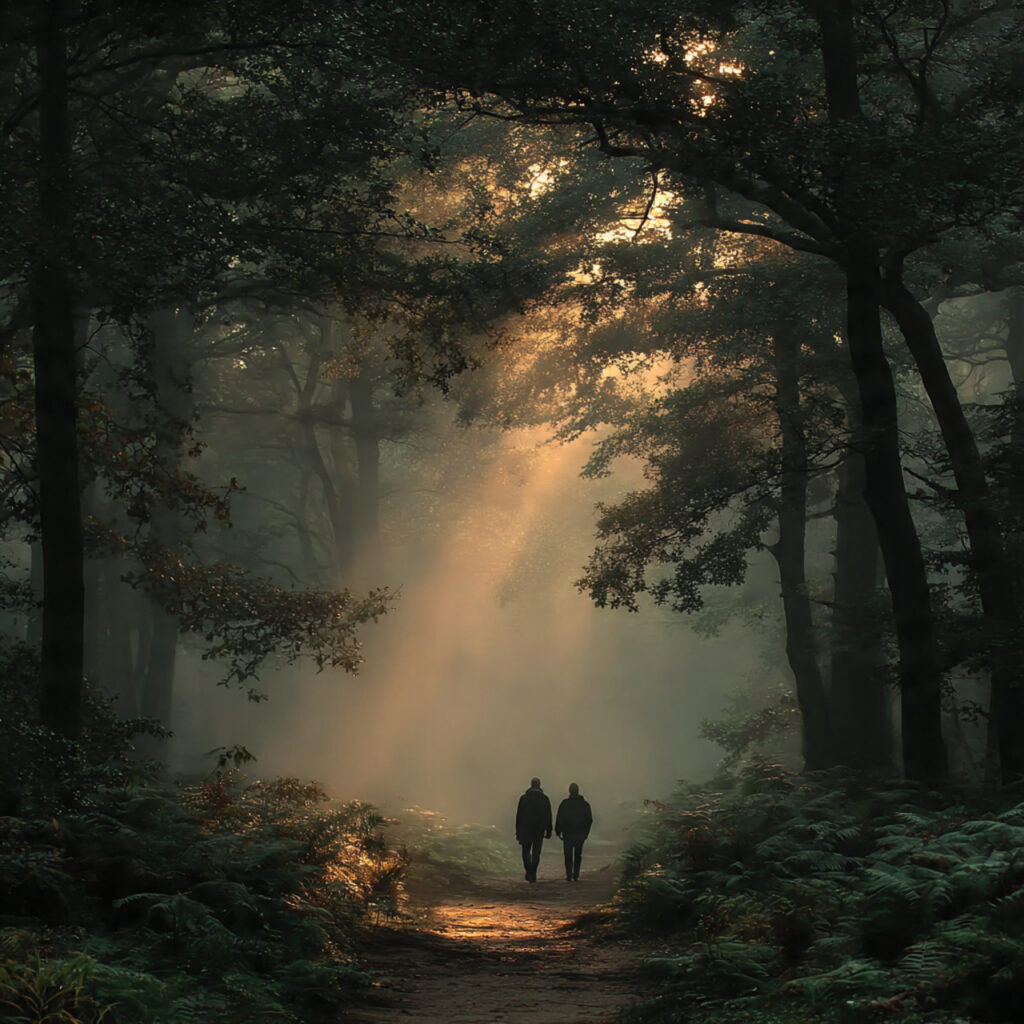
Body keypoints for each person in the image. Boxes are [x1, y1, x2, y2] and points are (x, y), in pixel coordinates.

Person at [515, 777, 552, 882]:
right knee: (536, 852)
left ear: (531, 785)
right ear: (539, 785)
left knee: (525, 851)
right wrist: (549, 830)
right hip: (539, 830)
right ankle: (533, 872)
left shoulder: (524, 798)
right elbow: (548, 816)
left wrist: (518, 831)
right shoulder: (545, 799)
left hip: (525, 829)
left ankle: (528, 870)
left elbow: (519, 816)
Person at [555, 782, 593, 881]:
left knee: (568, 854)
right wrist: (586, 833)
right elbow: (589, 819)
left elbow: (559, 818)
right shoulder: (584, 804)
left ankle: (568, 874)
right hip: (580, 834)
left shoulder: (565, 803)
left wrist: (558, 831)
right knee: (577, 854)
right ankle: (576, 874)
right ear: (578, 791)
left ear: (569, 791)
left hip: (567, 833)